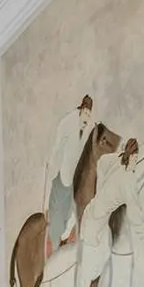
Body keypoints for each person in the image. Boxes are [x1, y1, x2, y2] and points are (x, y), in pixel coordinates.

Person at [43, 95, 93, 255]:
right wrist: (51, 161)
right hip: (63, 177)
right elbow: (57, 146)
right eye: (86, 113)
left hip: (75, 177)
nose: (87, 117)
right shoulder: (68, 122)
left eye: (89, 114)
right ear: (81, 110)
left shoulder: (86, 127)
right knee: (59, 216)